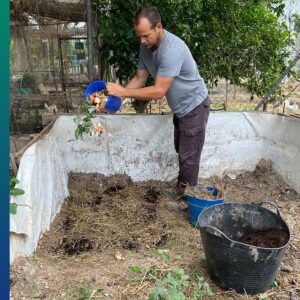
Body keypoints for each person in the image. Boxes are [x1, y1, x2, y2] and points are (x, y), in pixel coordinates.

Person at [107, 6, 210, 195]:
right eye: (139, 36)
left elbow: (158, 91)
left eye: (145, 35)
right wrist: (117, 96)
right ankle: (184, 189)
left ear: (159, 27)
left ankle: (186, 199)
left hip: (195, 106)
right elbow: (139, 77)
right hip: (181, 108)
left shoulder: (172, 50)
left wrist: (124, 91)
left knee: (189, 156)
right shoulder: (145, 47)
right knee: (182, 150)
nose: (142, 40)